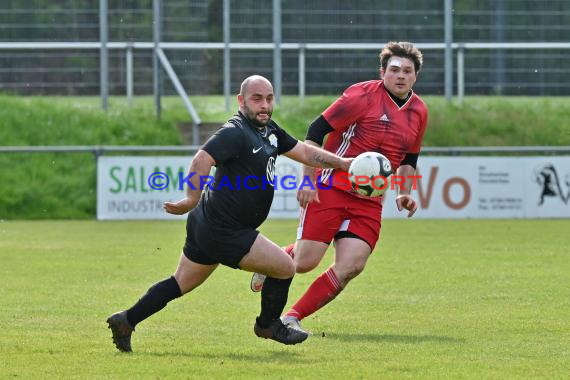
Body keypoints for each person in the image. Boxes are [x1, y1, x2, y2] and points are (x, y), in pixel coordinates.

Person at [106, 75, 352, 352]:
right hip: (224, 228)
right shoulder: (236, 131)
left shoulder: (268, 129)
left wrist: (342, 163)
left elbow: (306, 153)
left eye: (269, 98)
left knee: (181, 283)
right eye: (257, 99)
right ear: (241, 100)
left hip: (207, 223)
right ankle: (268, 324)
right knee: (285, 267)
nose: (265, 105)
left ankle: (126, 320)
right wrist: (190, 198)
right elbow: (202, 159)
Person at [250, 41, 428, 332]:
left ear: (415, 76)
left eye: (407, 71)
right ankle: (270, 261)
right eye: (394, 69)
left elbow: (409, 157)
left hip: (370, 199)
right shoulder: (361, 95)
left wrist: (405, 191)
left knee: (352, 265)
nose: (401, 75)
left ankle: (292, 318)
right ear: (383, 71)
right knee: (305, 262)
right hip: (331, 185)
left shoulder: (419, 111)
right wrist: (308, 179)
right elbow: (315, 132)